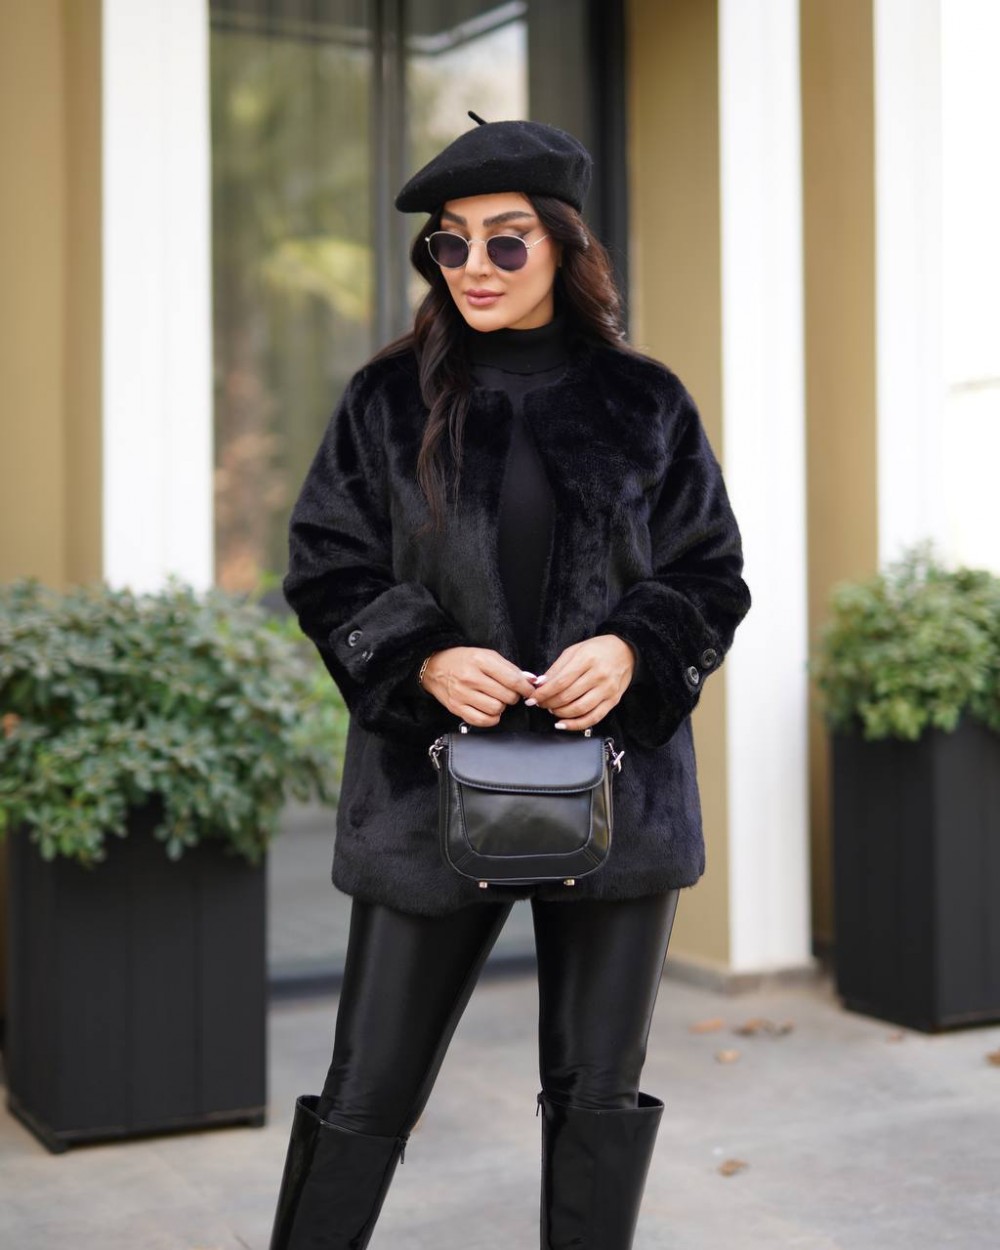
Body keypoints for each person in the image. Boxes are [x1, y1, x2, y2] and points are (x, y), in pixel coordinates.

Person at [269, 112, 751, 1249]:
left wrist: (633, 647)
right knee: (365, 1089)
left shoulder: (645, 400)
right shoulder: (385, 402)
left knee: (597, 1095)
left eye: (504, 239)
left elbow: (709, 572)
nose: (472, 265)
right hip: (421, 797)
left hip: (619, 795)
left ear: (564, 247)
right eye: (449, 242)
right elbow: (327, 565)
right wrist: (423, 655)